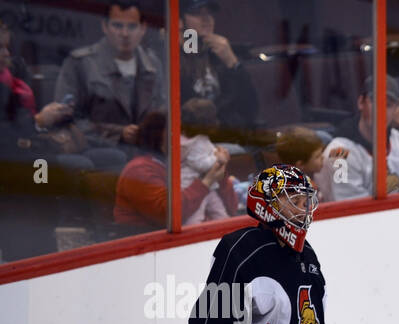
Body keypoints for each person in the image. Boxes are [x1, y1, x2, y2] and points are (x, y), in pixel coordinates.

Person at [163, 164, 327, 324]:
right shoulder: (243, 249)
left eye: (305, 199)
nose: (303, 206)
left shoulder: (308, 258)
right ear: (267, 204)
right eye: (293, 198)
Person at [54, 2, 165, 167]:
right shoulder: (80, 63)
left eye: (132, 26)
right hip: (100, 157)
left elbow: (164, 113)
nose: (125, 33)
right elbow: (65, 119)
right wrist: (118, 134)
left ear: (143, 28)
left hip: (149, 157)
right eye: (117, 26)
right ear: (105, 26)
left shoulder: (154, 65)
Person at [312, 75, 399, 201]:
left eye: (388, 105)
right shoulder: (339, 153)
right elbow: (352, 208)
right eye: (376, 102)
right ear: (361, 103)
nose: (381, 110)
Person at [113, 109, 236, 228]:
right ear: (161, 137)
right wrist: (207, 182)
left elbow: (232, 209)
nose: (188, 139)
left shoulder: (184, 163)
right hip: (153, 244)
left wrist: (220, 174)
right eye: (180, 132)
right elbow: (168, 216)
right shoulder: (139, 169)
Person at [179, 0, 259, 139]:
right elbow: (191, 113)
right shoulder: (172, 58)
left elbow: (251, 109)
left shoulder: (221, 54)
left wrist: (232, 63)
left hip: (230, 137)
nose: (206, 19)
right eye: (197, 14)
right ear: (180, 21)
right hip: (194, 138)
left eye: (209, 13)